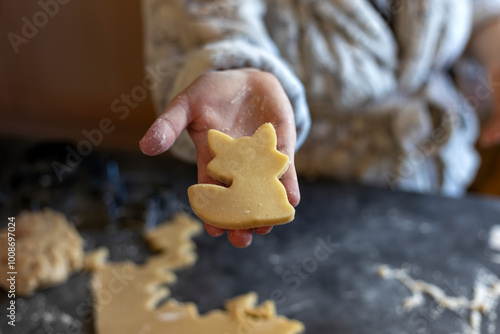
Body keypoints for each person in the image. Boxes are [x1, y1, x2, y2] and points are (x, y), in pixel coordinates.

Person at [139, 0, 500, 248]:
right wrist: (234, 64)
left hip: (431, 185)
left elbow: (479, 12)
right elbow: (210, 18)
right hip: (312, 200)